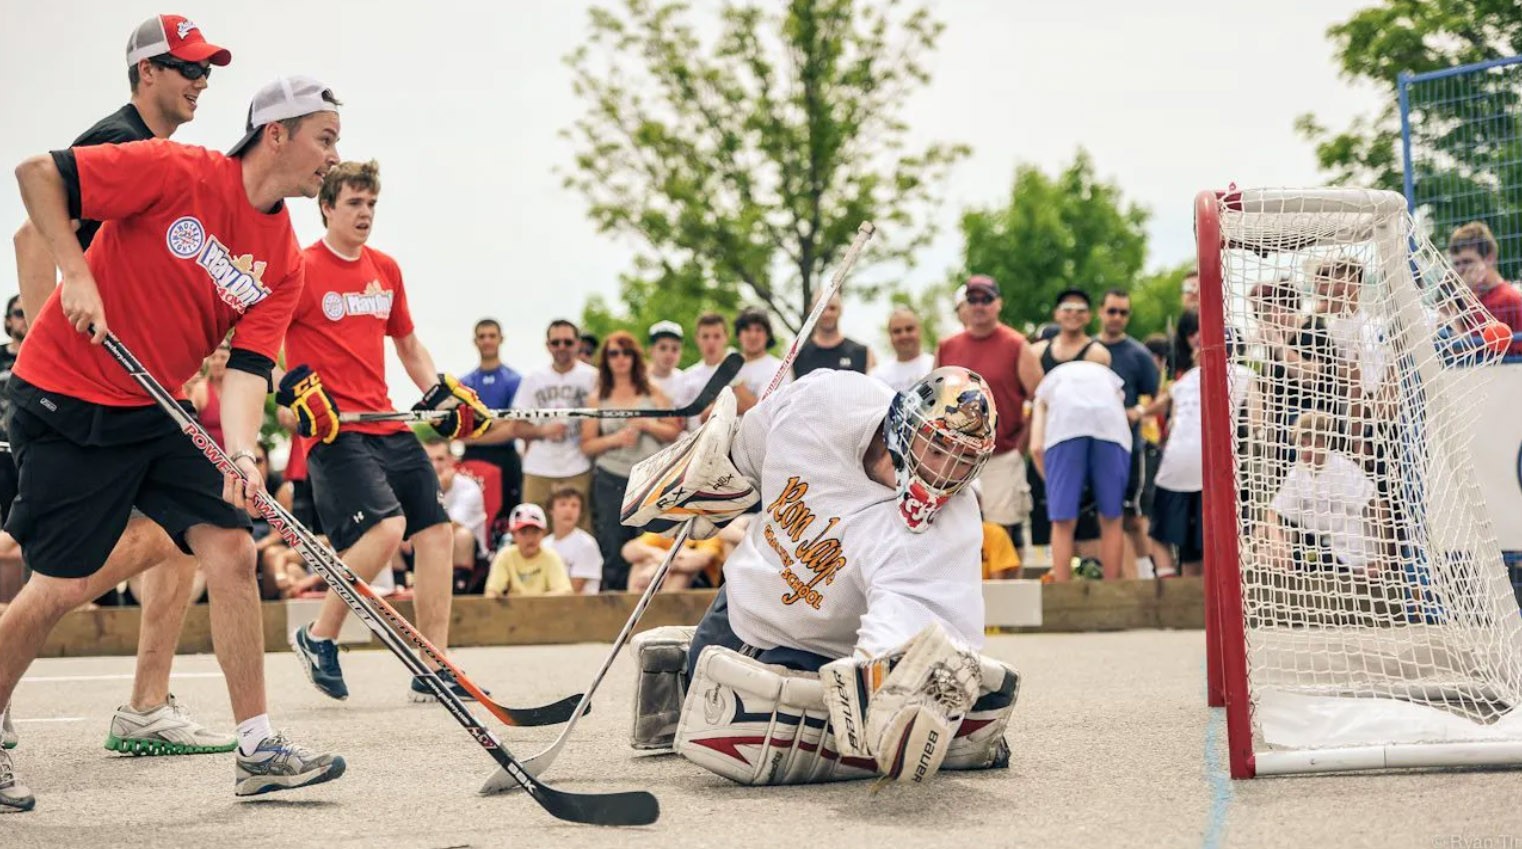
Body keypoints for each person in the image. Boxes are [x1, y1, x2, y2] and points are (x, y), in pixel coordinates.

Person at [0, 74, 350, 810]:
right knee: (59, 583)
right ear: (276, 133)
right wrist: (75, 274)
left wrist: (246, 453)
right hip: (66, 394)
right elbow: (37, 176)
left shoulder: (283, 259)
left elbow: (250, 368)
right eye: (325, 138)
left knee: (231, 545)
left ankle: (256, 748)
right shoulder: (176, 168)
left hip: (152, 407)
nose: (333, 157)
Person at [4, 14, 241, 764]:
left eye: (207, 71)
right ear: (147, 72)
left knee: (186, 535)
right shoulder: (119, 142)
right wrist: (57, 334)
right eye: (188, 69)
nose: (201, 82)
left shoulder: (156, 150)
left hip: (136, 399)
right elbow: (29, 235)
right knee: (59, 572)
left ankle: (146, 704)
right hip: (82, 395)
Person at [622, 367, 1019, 786]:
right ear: (904, 420)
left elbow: (905, 620)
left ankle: (956, 723)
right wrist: (708, 473)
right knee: (703, 690)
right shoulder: (827, 397)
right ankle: (690, 665)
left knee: (738, 741)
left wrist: (885, 687)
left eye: (964, 462)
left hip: (812, 653)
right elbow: (747, 453)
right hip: (734, 608)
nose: (943, 474)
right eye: (937, 448)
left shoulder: (946, 522)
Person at [281, 159, 491, 705]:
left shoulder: (385, 269)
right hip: (335, 430)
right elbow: (262, 348)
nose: (365, 213)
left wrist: (442, 393)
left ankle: (434, 666)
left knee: (436, 531)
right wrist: (294, 394)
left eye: (371, 204)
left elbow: (407, 346)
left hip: (385, 419)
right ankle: (318, 635)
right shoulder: (298, 268)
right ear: (326, 207)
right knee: (386, 529)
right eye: (353, 203)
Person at [936, 275, 1043, 547]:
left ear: (999, 304)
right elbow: (933, 399)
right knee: (954, 530)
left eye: (986, 299)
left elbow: (1041, 399)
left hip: (1002, 454)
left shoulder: (1016, 345)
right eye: (973, 299)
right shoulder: (947, 347)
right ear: (965, 305)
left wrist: (1021, 446)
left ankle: (1007, 589)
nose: (979, 306)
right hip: (956, 457)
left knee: (1003, 533)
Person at [579, 332, 683, 591]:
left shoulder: (652, 392)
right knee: (612, 544)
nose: (620, 359)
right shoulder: (597, 398)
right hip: (610, 476)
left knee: (649, 541)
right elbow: (587, 444)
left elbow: (674, 431)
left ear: (635, 357)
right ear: (606, 360)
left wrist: (648, 423)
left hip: (648, 478)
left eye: (626, 353)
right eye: (613, 353)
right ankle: (614, 604)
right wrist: (614, 439)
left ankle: (647, 599)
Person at [472, 320, 597, 529]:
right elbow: (516, 426)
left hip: (578, 466)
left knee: (579, 531)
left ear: (577, 344)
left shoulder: (593, 377)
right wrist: (543, 430)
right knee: (532, 530)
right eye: (556, 342)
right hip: (539, 468)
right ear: (547, 345)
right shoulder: (533, 378)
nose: (562, 348)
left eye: (567, 342)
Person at [1029, 358, 1130, 582]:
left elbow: (1036, 447)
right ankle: (1111, 588)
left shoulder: (1048, 383)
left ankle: (1063, 590)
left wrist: (1052, 482)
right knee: (1112, 517)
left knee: (1062, 520)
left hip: (1065, 430)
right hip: (1111, 430)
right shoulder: (1107, 375)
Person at [1096, 290, 1161, 578]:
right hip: (1095, 449)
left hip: (1129, 448)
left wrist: (1137, 410)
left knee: (1134, 516)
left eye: (1123, 312)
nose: (1117, 317)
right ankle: (1114, 578)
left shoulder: (1139, 354)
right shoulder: (1088, 351)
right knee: (1104, 517)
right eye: (1112, 311)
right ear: (1100, 312)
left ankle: (1149, 577)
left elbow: (1157, 394)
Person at [458, 318, 523, 516]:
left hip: (506, 458)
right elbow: (460, 429)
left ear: (500, 339)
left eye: (492, 336)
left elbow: (513, 427)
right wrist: (496, 424)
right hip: (472, 459)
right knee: (473, 514)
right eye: (482, 336)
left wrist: (477, 432)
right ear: (475, 341)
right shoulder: (464, 384)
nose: (487, 341)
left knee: (507, 516)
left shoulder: (514, 380)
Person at [1448, 221, 1521, 355]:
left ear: (1489, 258)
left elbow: (1459, 349)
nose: (1461, 270)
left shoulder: (1505, 299)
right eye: (1457, 264)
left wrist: (1462, 294)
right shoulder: (1474, 299)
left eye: (1467, 262)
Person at [424, 437, 488, 576]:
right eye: (429, 460)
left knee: (461, 537)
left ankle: (458, 590)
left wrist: (437, 491)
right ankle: (398, 588)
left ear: (451, 460)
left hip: (467, 555)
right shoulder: (415, 486)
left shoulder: (469, 488)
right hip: (426, 545)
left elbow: (448, 527)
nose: (435, 466)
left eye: (440, 459)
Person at [484, 504, 573, 597]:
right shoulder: (505, 555)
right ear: (513, 535)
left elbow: (565, 592)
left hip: (546, 610)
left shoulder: (551, 556)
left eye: (535, 532)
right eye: (524, 532)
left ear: (544, 533)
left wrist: (534, 602)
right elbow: (492, 592)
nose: (530, 539)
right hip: (514, 610)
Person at [680, 312, 750, 430]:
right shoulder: (687, 376)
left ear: (726, 337)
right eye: (705, 336)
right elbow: (683, 422)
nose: (711, 342)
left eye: (716, 336)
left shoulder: (741, 368)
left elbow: (751, 406)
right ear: (697, 339)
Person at [792, 292, 873, 378]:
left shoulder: (863, 353)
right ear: (812, 311)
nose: (827, 314)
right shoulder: (797, 356)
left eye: (832, 308)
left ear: (841, 310)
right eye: (821, 309)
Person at [541, 487, 602, 594]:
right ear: (551, 510)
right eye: (563, 504)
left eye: (574, 505)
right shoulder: (543, 544)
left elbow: (573, 589)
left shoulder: (586, 544)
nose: (569, 510)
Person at [623, 530, 725, 593]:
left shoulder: (707, 531)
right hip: (660, 576)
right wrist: (658, 555)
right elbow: (629, 549)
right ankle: (634, 608)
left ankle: (668, 612)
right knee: (641, 561)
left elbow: (703, 559)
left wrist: (661, 563)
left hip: (702, 584)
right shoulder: (667, 529)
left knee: (681, 571)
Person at [732, 307, 788, 411]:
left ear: (768, 335)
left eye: (759, 330)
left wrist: (736, 381)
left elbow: (764, 412)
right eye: (747, 329)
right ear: (738, 335)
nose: (753, 335)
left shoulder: (780, 369)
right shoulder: (726, 365)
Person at [869, 306, 934, 393]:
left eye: (909, 329)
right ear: (889, 335)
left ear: (919, 330)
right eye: (897, 331)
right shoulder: (877, 377)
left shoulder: (936, 367)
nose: (904, 335)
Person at [187, 339, 230, 447]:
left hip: (232, 458)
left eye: (223, 358)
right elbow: (188, 423)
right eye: (213, 358)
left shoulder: (238, 391)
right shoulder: (200, 389)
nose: (217, 362)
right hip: (207, 456)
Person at [646, 320, 687, 401]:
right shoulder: (638, 379)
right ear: (651, 350)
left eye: (674, 349)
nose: (669, 354)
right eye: (663, 348)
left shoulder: (685, 381)